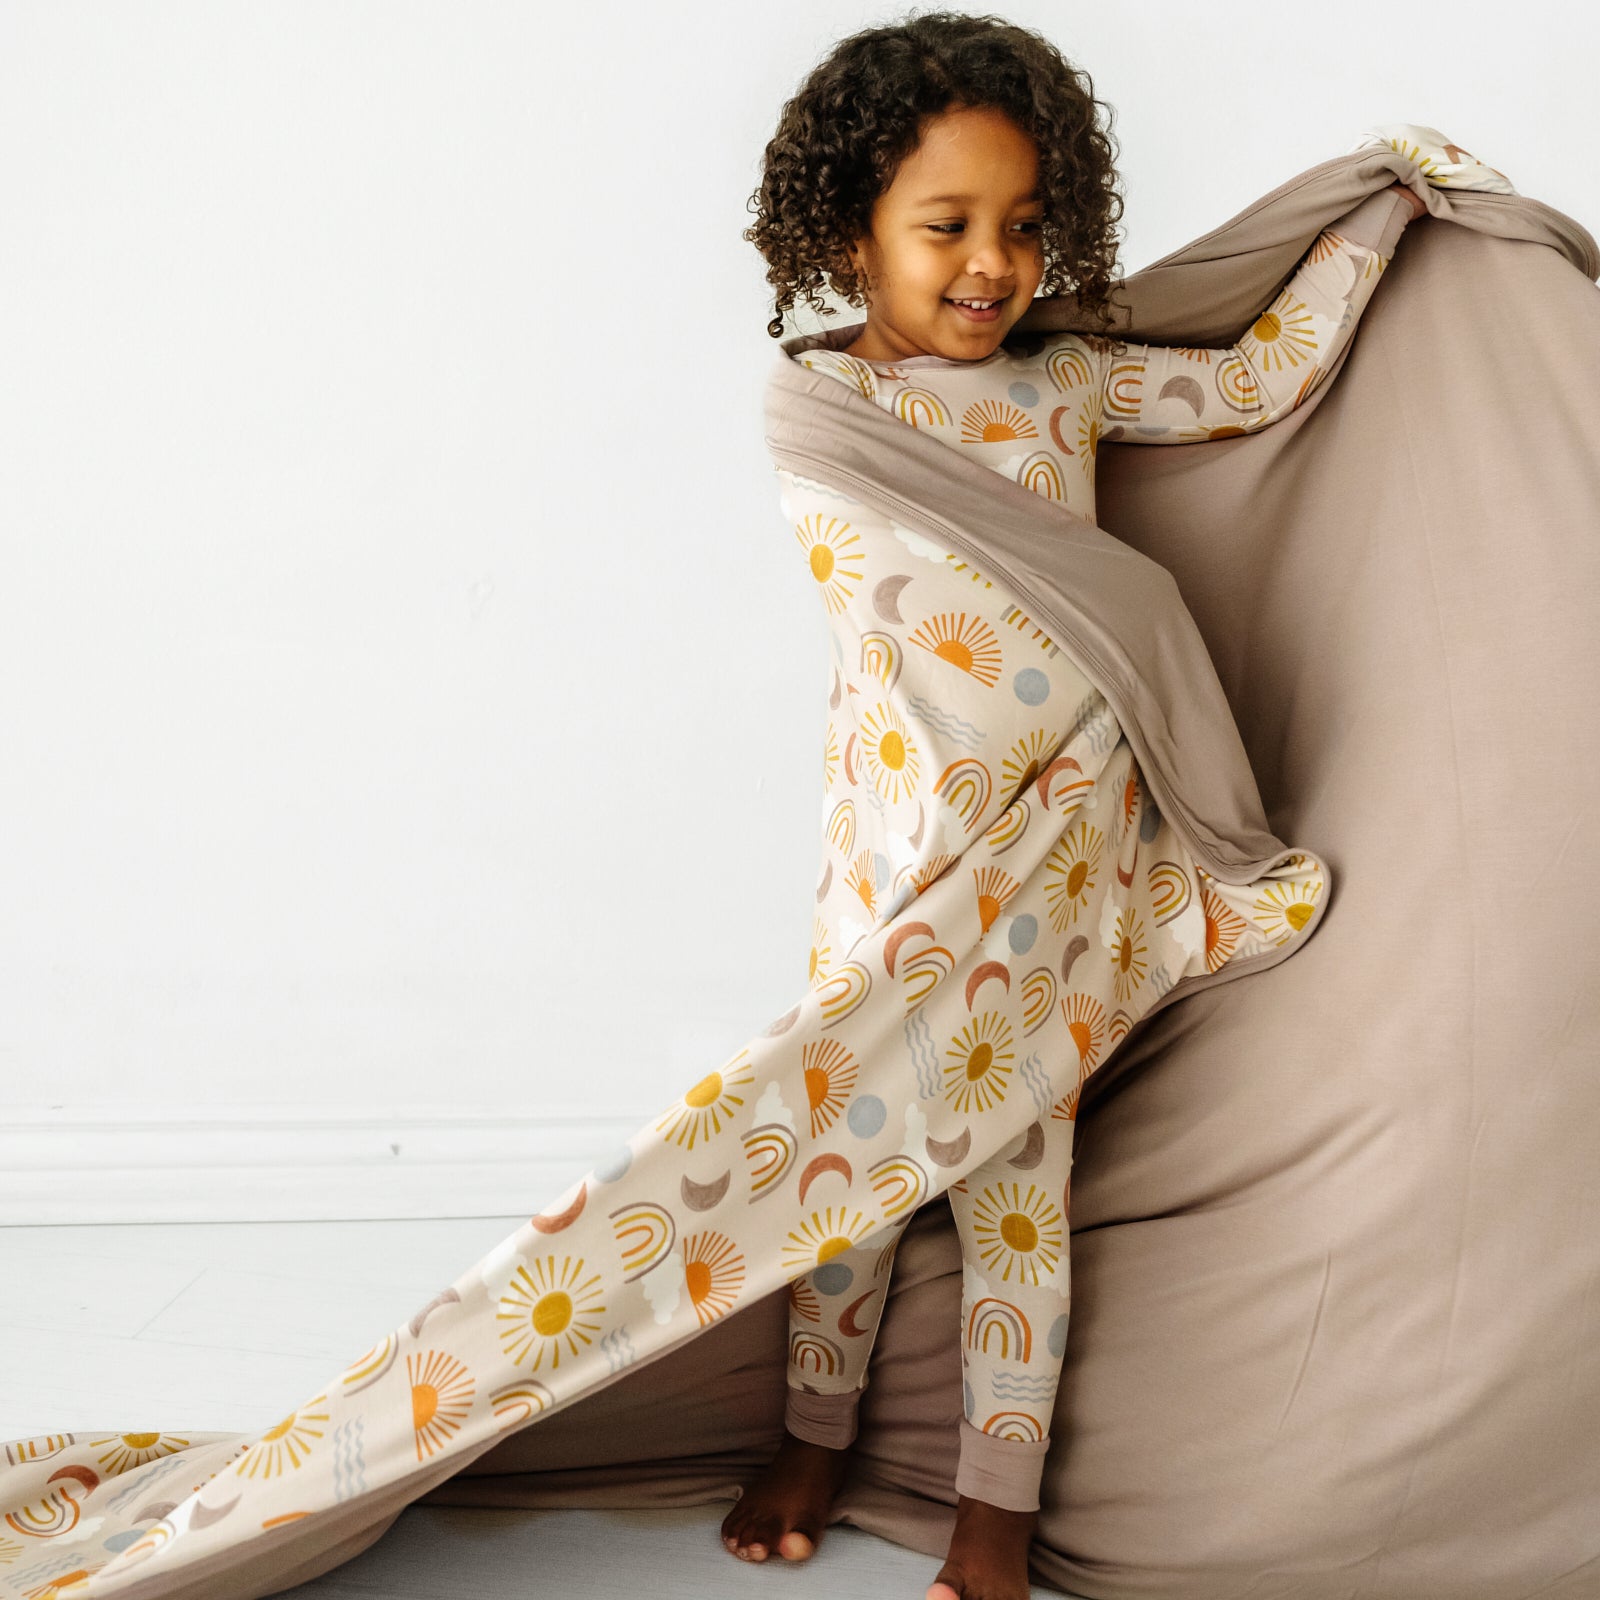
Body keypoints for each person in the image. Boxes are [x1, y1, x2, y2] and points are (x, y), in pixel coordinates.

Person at [729, 13, 1423, 1599]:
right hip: (892, 881)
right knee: (849, 1188)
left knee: (1014, 1201)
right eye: (948, 225)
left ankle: (998, 1502)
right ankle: (813, 1433)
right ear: (849, 234)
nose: (994, 264)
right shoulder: (825, 415)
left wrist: (1384, 209)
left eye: (1027, 225)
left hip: (1052, 883)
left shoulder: (1069, 384)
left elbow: (1259, 379)